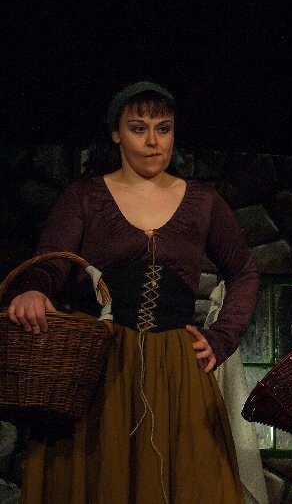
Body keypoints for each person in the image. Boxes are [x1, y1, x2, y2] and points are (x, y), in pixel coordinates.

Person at [7, 81, 258, 503]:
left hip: (176, 366)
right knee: (101, 478)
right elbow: (51, 262)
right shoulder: (86, 196)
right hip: (101, 364)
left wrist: (222, 337)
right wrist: (34, 290)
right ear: (116, 133)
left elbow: (244, 271)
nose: (153, 141)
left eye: (163, 128)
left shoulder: (203, 201)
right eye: (138, 128)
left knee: (191, 480)